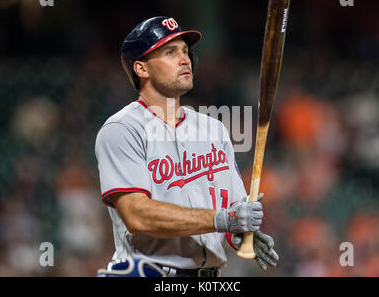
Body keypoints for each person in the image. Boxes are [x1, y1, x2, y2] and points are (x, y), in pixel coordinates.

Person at [95, 16, 279, 277]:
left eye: (185, 51)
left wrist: (239, 231)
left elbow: (230, 207)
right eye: (170, 52)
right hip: (152, 274)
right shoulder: (122, 129)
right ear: (141, 68)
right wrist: (222, 219)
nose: (185, 60)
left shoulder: (213, 129)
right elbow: (137, 215)